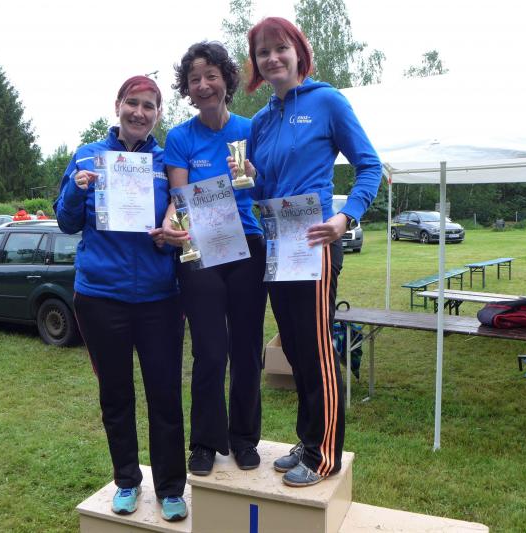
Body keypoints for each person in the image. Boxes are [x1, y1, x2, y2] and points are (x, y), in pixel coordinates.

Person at [234, 17, 382, 487]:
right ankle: (308, 439)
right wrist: (249, 179)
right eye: (263, 52)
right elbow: (263, 189)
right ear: (256, 63)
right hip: (278, 241)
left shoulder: (327, 101)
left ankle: (325, 456)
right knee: (295, 349)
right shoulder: (260, 121)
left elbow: (370, 166)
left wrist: (345, 217)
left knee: (317, 350)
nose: (272, 58)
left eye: (280, 48)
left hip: (316, 242)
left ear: (298, 51)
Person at [54, 75, 187, 522]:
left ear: (158, 114)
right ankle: (127, 481)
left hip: (158, 297)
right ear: (117, 106)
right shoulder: (87, 155)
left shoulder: (167, 161)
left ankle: (171, 489)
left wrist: (172, 233)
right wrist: (77, 188)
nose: (139, 112)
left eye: (149, 106)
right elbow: (67, 222)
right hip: (100, 296)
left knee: (164, 395)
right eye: (133, 103)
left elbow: (183, 218)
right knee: (115, 395)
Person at [161, 41, 267, 477]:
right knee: (209, 350)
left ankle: (244, 438)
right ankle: (205, 442)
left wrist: (254, 176)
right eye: (194, 79)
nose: (203, 85)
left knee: (247, 347)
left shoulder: (251, 129)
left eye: (211, 76)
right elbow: (178, 199)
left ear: (226, 80)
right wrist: (170, 225)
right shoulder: (180, 138)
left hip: (248, 246)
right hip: (200, 249)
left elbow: (265, 189)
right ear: (186, 89)